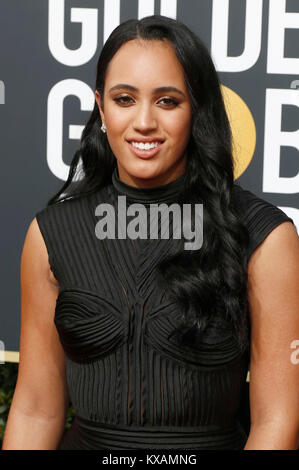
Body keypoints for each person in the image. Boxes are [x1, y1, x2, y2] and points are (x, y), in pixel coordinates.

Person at [2, 15, 299, 450]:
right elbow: (35, 409)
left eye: (167, 101)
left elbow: (278, 422)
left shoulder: (263, 237)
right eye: (125, 99)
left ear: (196, 110)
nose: (143, 122)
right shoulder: (51, 235)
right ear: (101, 108)